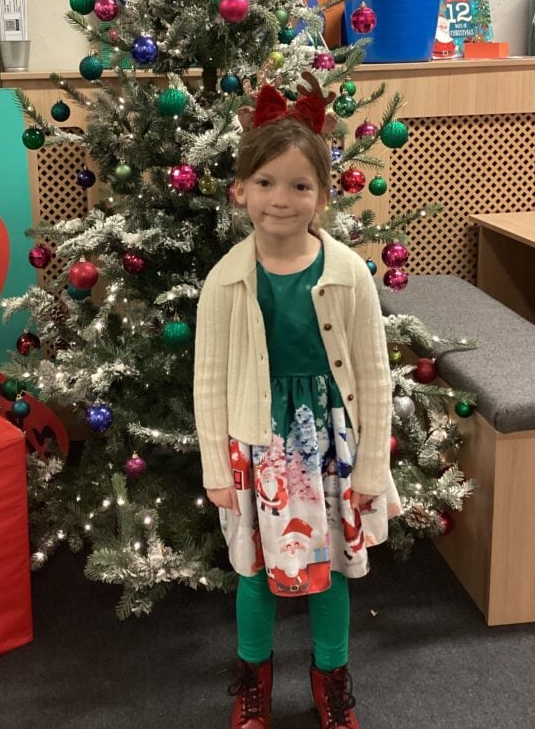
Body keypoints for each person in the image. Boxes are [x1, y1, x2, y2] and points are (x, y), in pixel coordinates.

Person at [194, 74, 400, 729]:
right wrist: (216, 470)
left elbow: (373, 376)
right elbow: (208, 380)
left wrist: (371, 469)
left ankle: (331, 676)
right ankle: (253, 679)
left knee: (331, 568)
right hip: (256, 444)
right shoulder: (226, 280)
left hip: (330, 445)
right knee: (253, 571)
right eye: (265, 183)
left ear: (324, 194)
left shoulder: (346, 276)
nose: (281, 200)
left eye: (299, 185)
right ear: (240, 191)